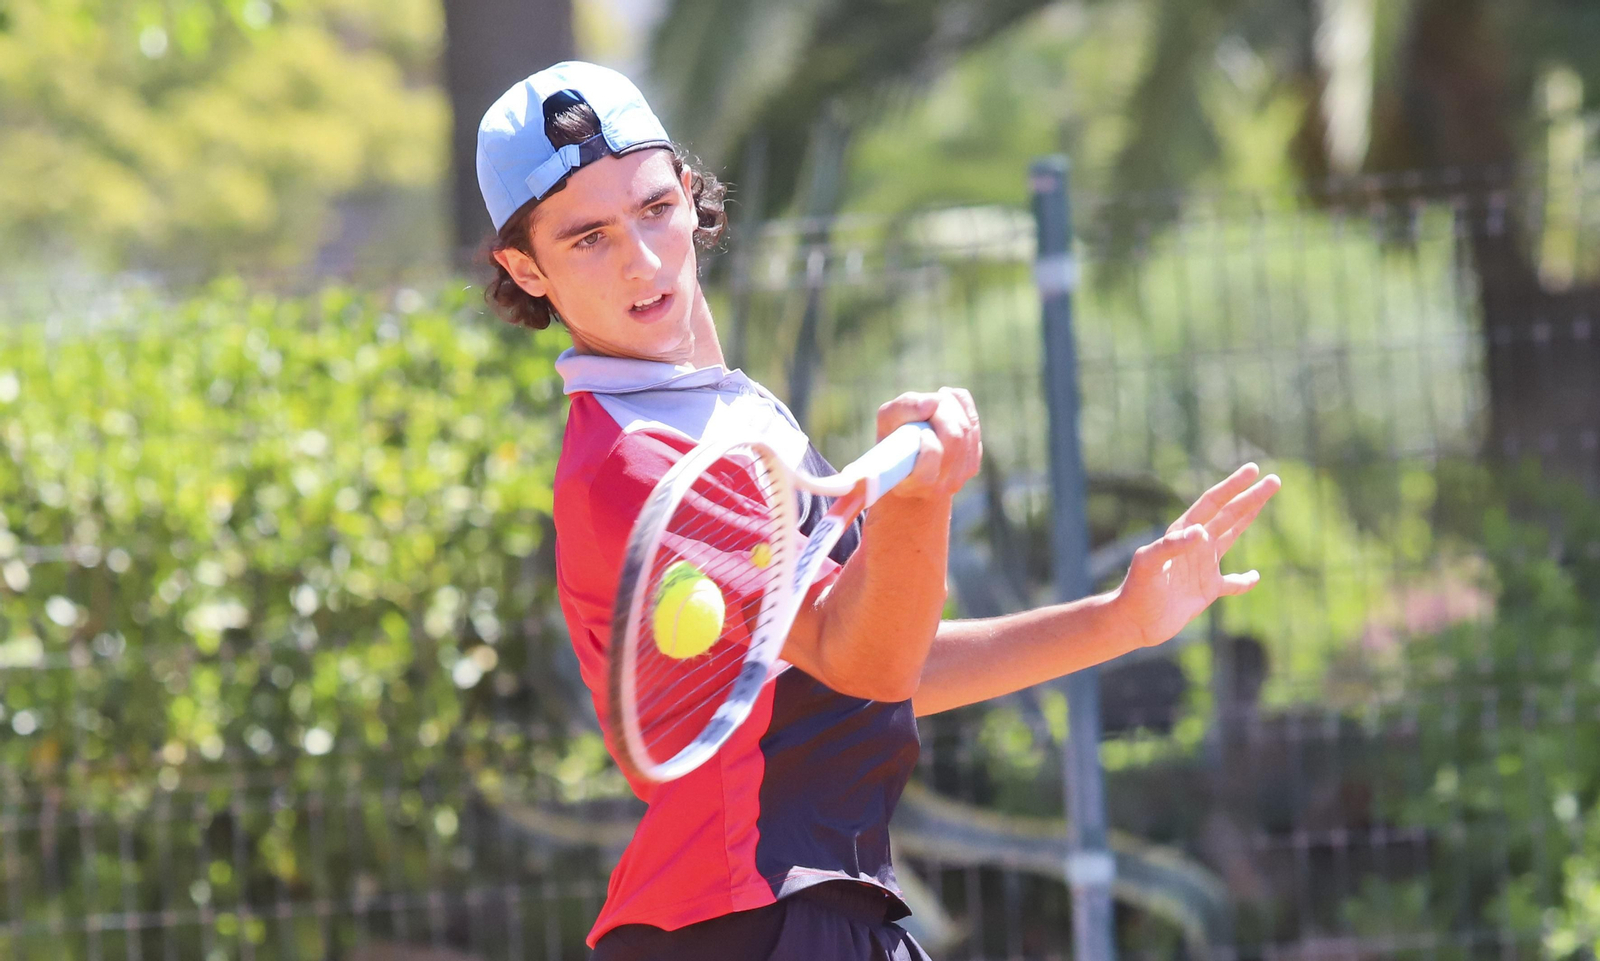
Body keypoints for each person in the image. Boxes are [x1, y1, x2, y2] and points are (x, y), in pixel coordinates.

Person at [476, 61, 1280, 961]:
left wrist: (1123, 618)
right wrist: (920, 502)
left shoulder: (725, 413)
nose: (643, 258)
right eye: (588, 237)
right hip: (752, 922)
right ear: (525, 268)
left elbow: (884, 665)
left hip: (795, 911)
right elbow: (863, 659)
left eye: (654, 208)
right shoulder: (638, 462)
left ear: (692, 198)